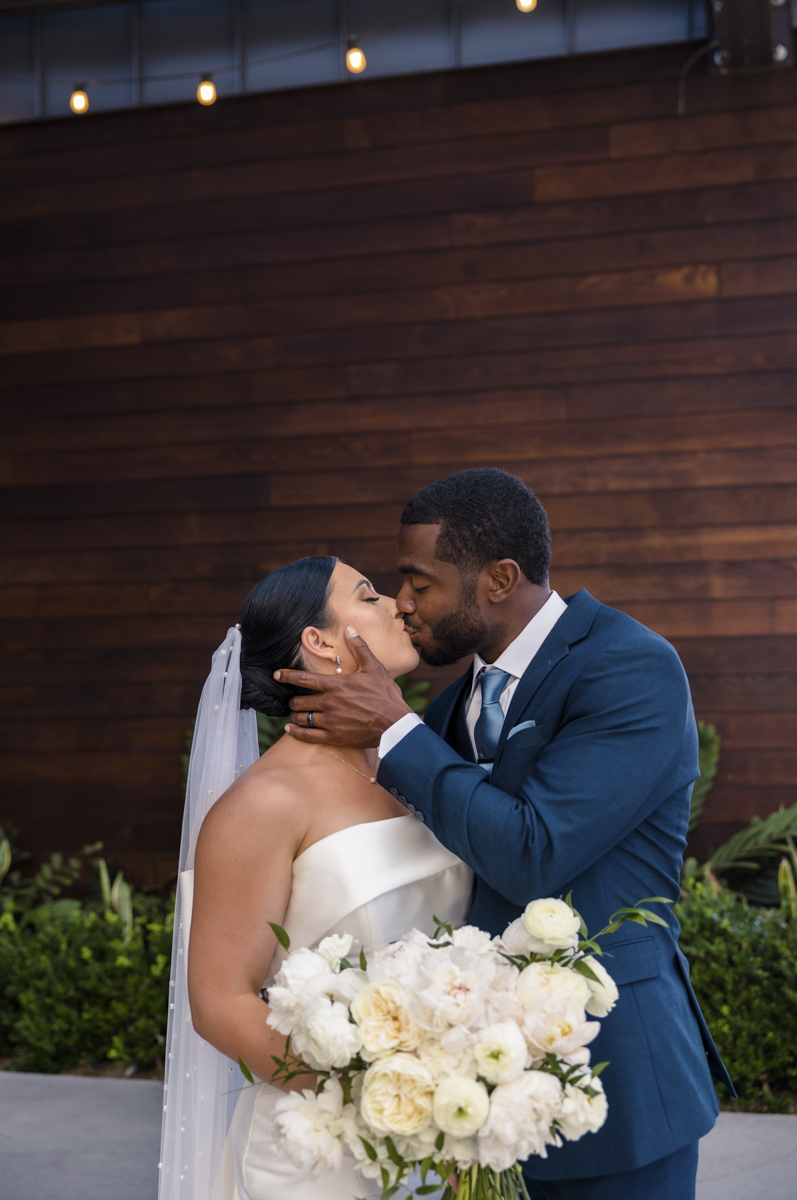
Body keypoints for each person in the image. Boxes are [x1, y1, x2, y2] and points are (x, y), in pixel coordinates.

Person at [276, 468, 734, 1200]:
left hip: (612, 1084)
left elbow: (532, 852)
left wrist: (394, 730)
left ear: (498, 578)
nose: (402, 603)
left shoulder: (629, 667)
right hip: (467, 1100)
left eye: (418, 583)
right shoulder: (452, 704)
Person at [158, 556, 474, 1200]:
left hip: (431, 1138)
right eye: (369, 594)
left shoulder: (407, 768)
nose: (397, 605)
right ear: (319, 641)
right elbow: (219, 1004)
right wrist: (375, 1097)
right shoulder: (265, 802)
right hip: (320, 1151)